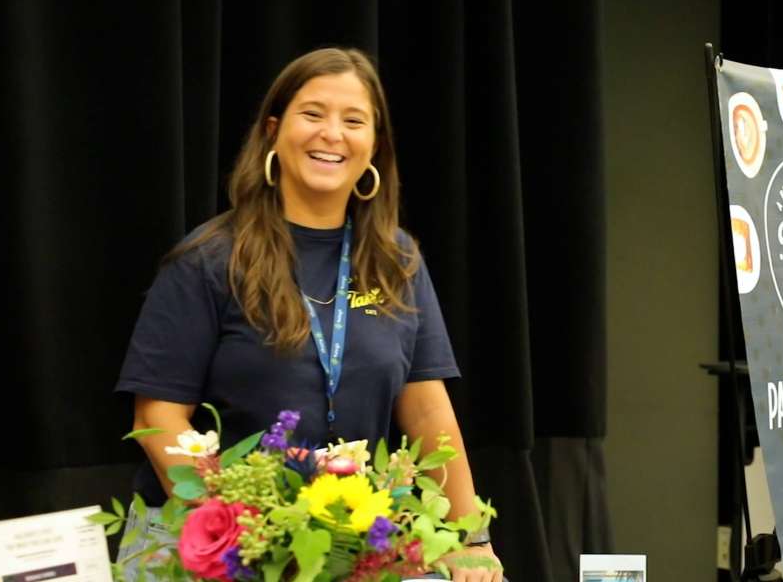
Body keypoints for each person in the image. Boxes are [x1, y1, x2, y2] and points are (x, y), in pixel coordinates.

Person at [115, 47, 502, 582]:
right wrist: (241, 529)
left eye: (353, 120)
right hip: (209, 542)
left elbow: (428, 411)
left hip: (345, 542)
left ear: (375, 145)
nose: (332, 134)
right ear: (273, 131)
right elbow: (157, 418)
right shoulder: (207, 260)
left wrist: (469, 538)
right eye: (312, 114)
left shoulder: (397, 260)